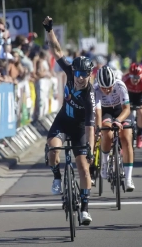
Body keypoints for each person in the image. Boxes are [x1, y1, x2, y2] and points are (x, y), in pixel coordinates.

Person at [43, 16, 95, 225]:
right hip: (63, 121)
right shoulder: (70, 71)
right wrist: (49, 30)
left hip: (80, 128)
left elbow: (91, 125)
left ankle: (84, 209)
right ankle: (56, 176)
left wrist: (90, 147)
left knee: (83, 167)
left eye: (86, 74)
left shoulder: (89, 96)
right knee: (53, 150)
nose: (81, 77)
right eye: (79, 73)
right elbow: (57, 51)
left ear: (90, 74)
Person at [94, 65, 135, 191]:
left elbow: (127, 109)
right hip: (106, 111)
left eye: (109, 87)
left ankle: (128, 178)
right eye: (104, 88)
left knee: (127, 138)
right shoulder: (95, 89)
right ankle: (105, 163)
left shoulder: (120, 85)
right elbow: (98, 111)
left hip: (120, 110)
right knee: (107, 133)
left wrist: (118, 121)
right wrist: (98, 128)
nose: (107, 90)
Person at [122, 63, 142, 148]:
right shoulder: (125, 79)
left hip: (141, 96)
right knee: (125, 113)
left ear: (141, 76)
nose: (135, 80)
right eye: (133, 77)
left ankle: (139, 134)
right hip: (129, 95)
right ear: (129, 75)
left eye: (138, 77)